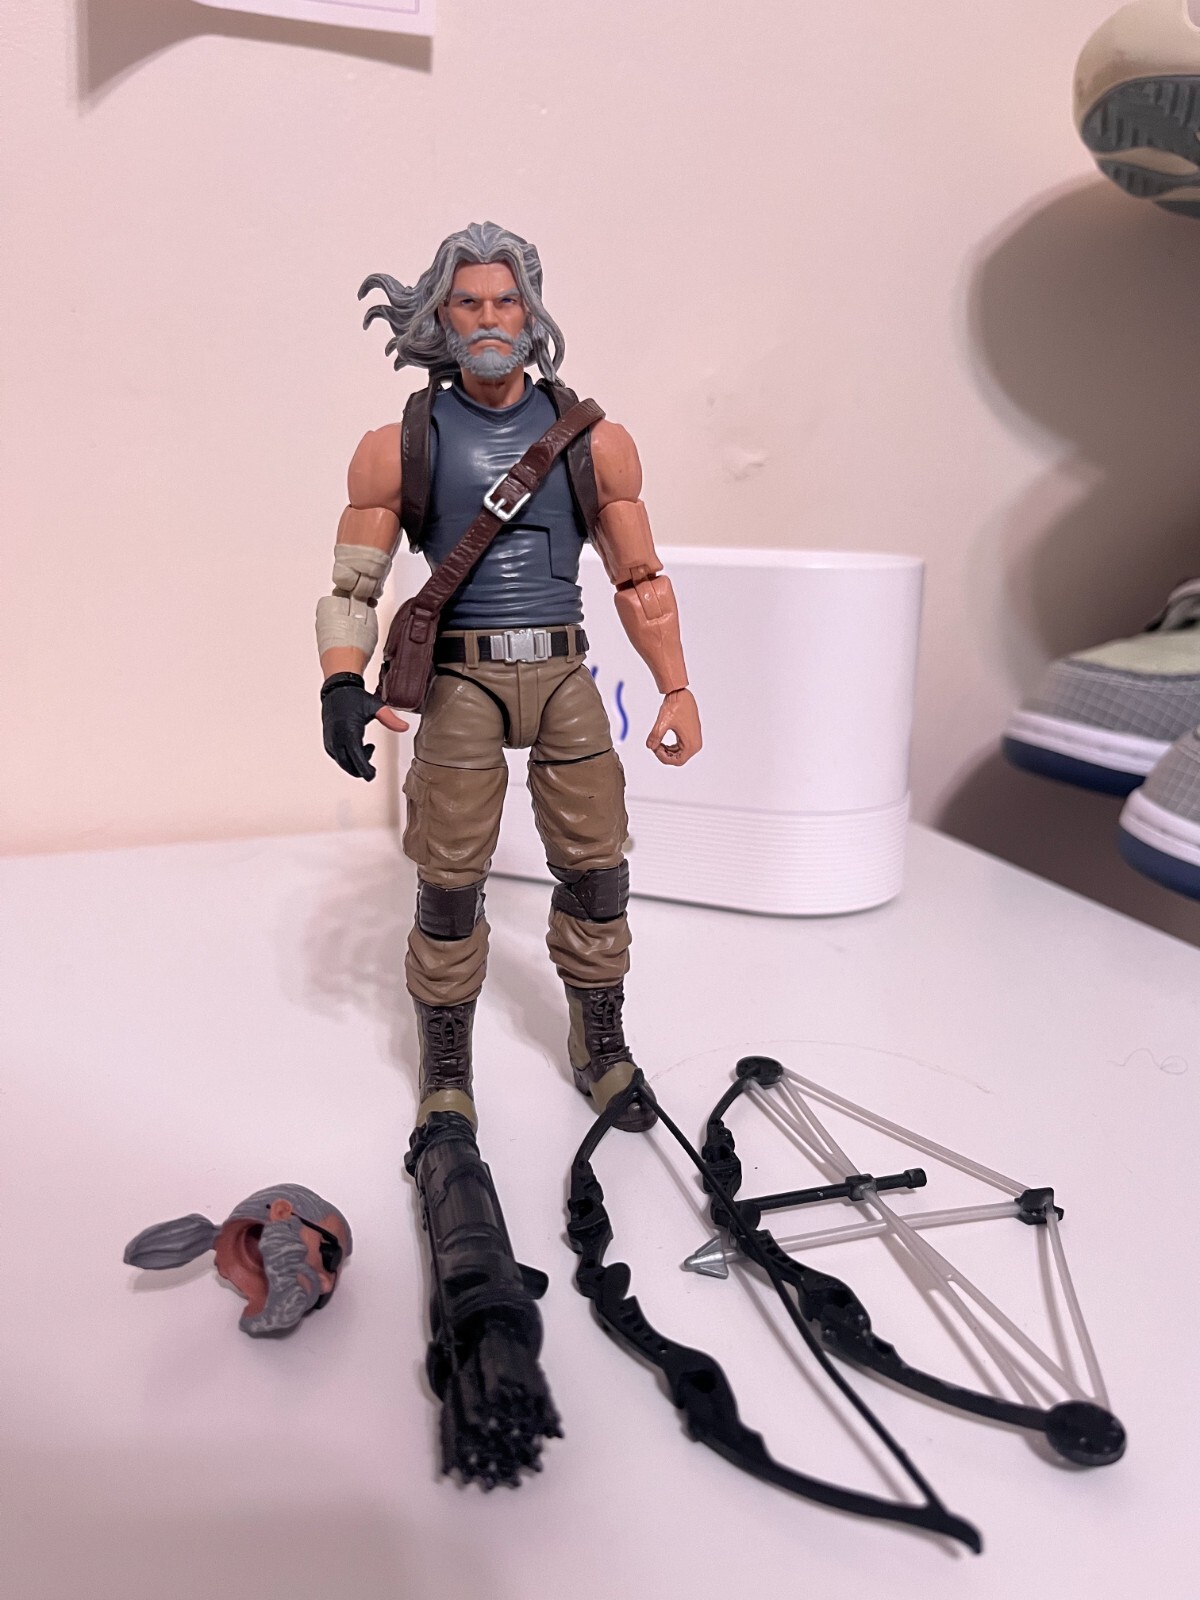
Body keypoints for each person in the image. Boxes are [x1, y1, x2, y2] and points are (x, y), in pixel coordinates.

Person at [317, 222, 701, 1133]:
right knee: (449, 883)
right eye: (468, 302)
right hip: (462, 681)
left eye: (505, 300)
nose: (489, 318)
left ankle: (601, 1044)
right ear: (440, 315)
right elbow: (353, 586)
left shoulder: (595, 442)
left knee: (598, 871)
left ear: (531, 312)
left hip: (564, 673)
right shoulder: (398, 445)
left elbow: (639, 578)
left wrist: (676, 687)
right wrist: (341, 682)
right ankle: (446, 1065)